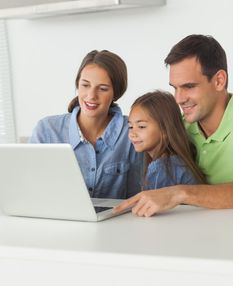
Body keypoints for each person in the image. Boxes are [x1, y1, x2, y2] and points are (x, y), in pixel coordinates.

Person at [113, 34, 233, 217]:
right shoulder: (179, 129)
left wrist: (179, 193)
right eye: (175, 88)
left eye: (189, 86)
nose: (179, 99)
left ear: (219, 80)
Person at [30, 49, 143, 199]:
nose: (91, 96)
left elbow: (139, 197)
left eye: (102, 89)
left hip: (117, 221)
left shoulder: (133, 132)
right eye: (85, 85)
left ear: (116, 93)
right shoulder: (47, 131)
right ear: (77, 85)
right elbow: (32, 190)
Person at [128, 90, 205, 190]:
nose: (132, 134)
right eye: (130, 126)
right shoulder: (170, 162)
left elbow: (156, 204)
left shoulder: (163, 168)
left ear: (165, 129)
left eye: (141, 126)